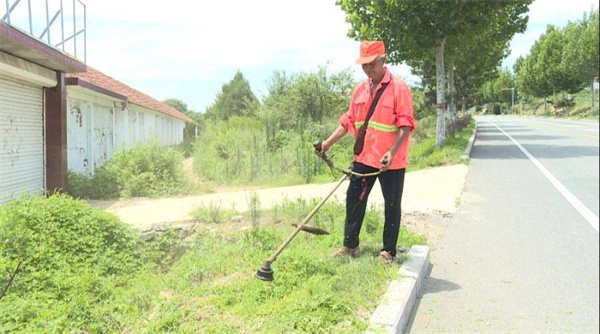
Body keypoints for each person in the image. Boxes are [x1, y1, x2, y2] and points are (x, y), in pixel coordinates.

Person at [315, 41, 416, 264]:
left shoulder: (399, 88)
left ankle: (388, 251)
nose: (368, 69)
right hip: (364, 157)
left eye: (371, 64)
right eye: (364, 65)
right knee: (354, 200)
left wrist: (391, 152)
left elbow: (405, 125)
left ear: (383, 60)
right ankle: (350, 246)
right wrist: (327, 144)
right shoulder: (359, 89)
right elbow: (348, 121)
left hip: (391, 161)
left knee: (391, 205)